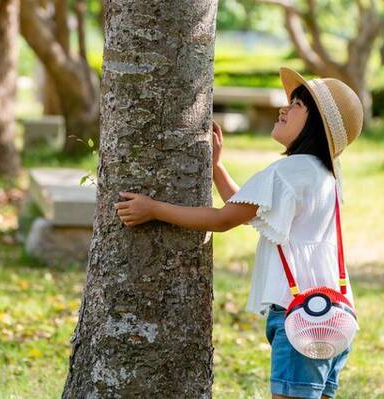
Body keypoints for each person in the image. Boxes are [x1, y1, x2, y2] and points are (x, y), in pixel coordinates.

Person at [114, 67, 363, 399]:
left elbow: (223, 219)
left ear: (317, 124)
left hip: (299, 316)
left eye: (297, 105)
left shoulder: (286, 172)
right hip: (334, 314)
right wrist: (217, 168)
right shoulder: (325, 176)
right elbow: (245, 206)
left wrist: (154, 209)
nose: (283, 109)